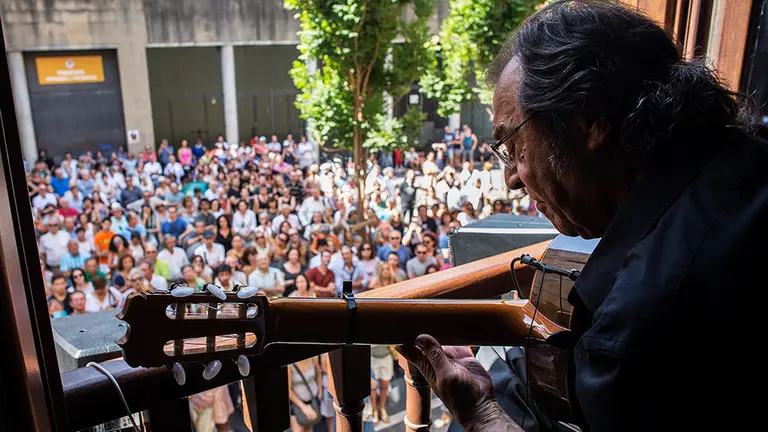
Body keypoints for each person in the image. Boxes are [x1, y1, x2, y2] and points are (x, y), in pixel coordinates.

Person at [395, 2, 765, 431]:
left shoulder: (640, 322)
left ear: (589, 119)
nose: (511, 179)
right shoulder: (741, 161)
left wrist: (478, 411)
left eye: (513, 146)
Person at [288, 357, 323, 432]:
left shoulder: (313, 357)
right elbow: (288, 390)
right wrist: (303, 407)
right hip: (297, 405)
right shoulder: (289, 365)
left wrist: (320, 389)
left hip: (312, 401)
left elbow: (318, 372)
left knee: (310, 428)